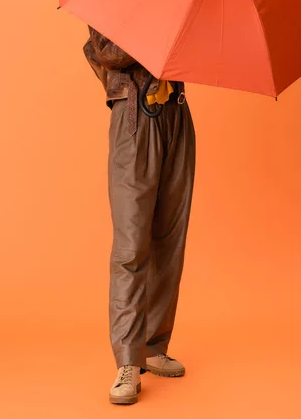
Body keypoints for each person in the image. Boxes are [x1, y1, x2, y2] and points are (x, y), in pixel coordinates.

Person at [83, 26, 196, 405]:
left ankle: (153, 344)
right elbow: (106, 53)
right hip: (134, 117)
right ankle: (128, 361)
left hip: (175, 115)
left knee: (169, 238)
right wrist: (159, 33)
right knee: (132, 246)